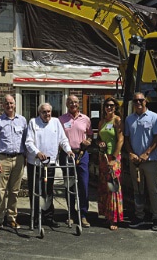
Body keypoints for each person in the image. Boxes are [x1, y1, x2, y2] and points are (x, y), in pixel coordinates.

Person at [25, 102, 74, 228]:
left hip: (50, 163)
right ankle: (36, 218)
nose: (47, 114)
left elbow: (63, 139)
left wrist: (68, 150)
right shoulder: (33, 122)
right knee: (36, 191)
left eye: (48, 111)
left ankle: (49, 217)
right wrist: (37, 152)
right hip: (35, 163)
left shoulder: (56, 122)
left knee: (48, 190)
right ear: (39, 113)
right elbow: (29, 141)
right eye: (44, 112)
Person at [125, 92, 157, 231]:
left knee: (153, 190)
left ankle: (156, 218)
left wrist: (147, 153)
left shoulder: (155, 117)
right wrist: (131, 153)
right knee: (137, 190)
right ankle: (139, 216)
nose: (138, 103)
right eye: (135, 101)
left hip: (150, 160)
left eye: (141, 100)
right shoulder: (129, 119)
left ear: (146, 101)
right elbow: (127, 139)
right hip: (135, 161)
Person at [0, 94, 28, 231]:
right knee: (1, 191)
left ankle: (12, 218)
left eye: (11, 103)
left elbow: (26, 141)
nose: (9, 105)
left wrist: (26, 158)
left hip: (18, 159)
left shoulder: (22, 120)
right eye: (6, 103)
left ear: (15, 104)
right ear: (3, 105)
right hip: (3, 159)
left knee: (15, 191)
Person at [58, 95, 93, 227]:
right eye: (70, 102)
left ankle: (83, 214)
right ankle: (71, 214)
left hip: (82, 154)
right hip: (66, 155)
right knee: (69, 185)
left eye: (75, 102)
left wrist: (88, 141)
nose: (73, 104)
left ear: (79, 104)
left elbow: (90, 135)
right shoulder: (61, 119)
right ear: (67, 104)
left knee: (83, 185)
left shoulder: (86, 119)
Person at [97, 97, 124, 230]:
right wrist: (99, 143)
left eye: (112, 106)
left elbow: (120, 140)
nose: (109, 107)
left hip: (114, 157)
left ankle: (114, 219)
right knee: (104, 187)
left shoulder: (117, 120)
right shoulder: (101, 121)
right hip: (103, 157)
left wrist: (114, 157)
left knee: (113, 187)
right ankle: (107, 216)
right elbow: (99, 139)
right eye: (107, 105)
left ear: (115, 107)